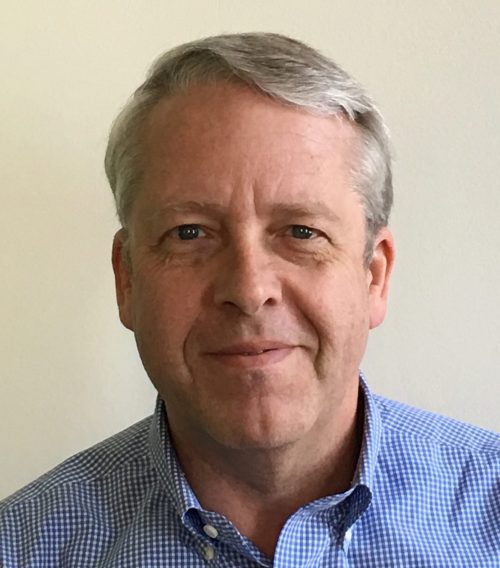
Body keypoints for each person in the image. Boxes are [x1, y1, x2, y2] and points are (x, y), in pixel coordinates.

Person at [1, 32, 498, 567]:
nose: (249, 290)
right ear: (128, 280)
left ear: (374, 277)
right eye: (189, 233)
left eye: (302, 232)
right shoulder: (20, 547)